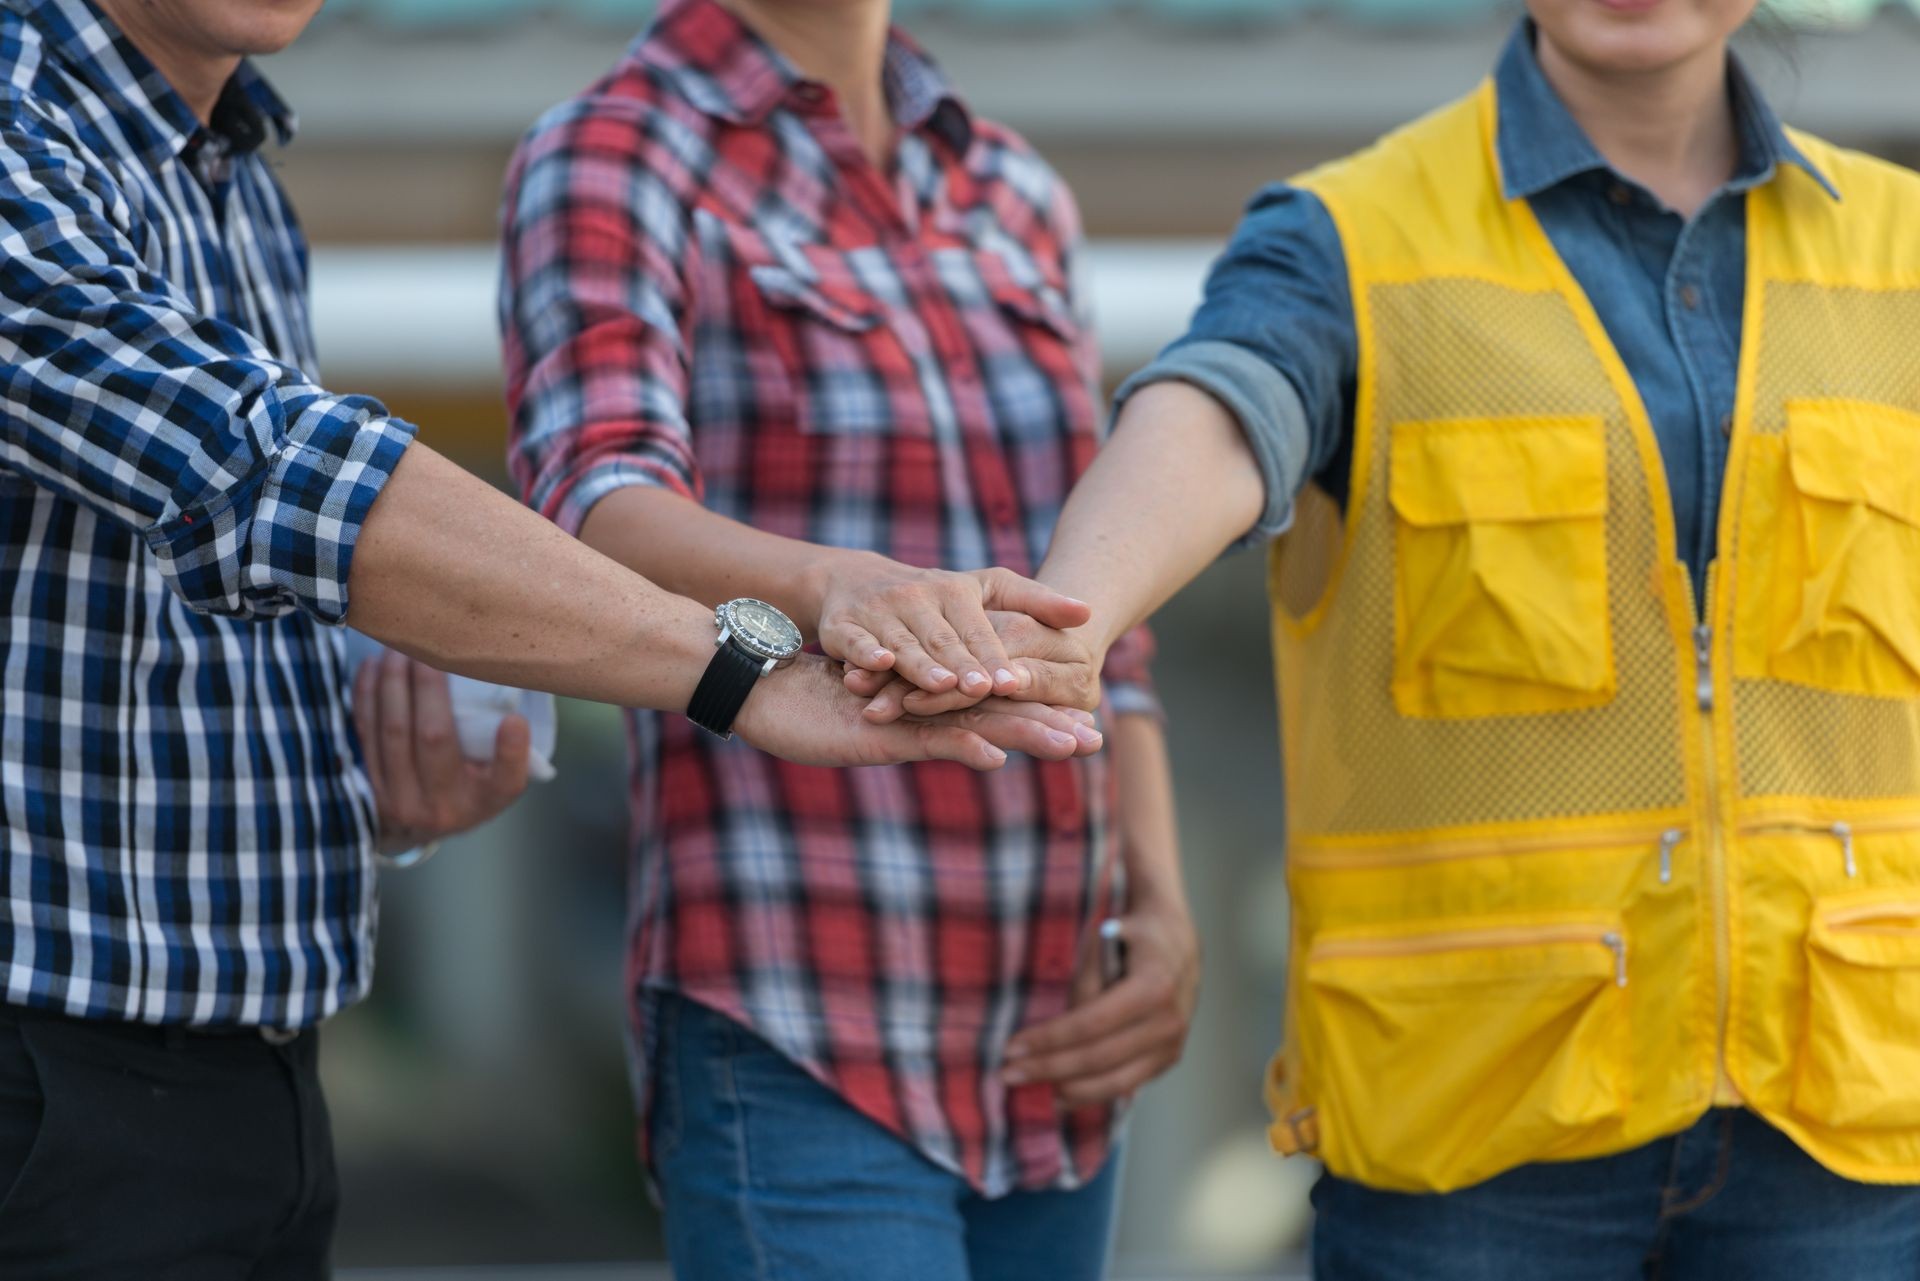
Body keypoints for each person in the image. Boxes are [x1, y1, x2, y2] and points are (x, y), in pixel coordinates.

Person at [0, 0, 1102, 1275]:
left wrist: (381, 784)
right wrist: (749, 664)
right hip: (54, 1059)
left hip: (234, 1067)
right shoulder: (28, 128)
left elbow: (141, 620)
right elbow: (266, 474)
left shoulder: (229, 173)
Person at [938, 0, 1920, 1276]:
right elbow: (1225, 405)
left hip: (1848, 1119)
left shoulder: (1900, 250)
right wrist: (1077, 607)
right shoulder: (1347, 235)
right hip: (1473, 1133)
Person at [499, 1, 1199, 1277]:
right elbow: (589, 503)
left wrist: (1159, 900)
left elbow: (1104, 623)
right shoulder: (615, 149)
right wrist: (831, 586)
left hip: (1055, 1032)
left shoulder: (1012, 189)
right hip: (800, 1008)